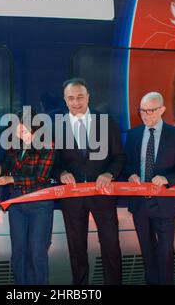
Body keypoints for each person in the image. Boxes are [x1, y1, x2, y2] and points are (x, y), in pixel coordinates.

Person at [52, 78, 125, 285]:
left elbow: (119, 157)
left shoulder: (106, 122)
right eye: (71, 98)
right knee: (77, 249)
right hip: (72, 198)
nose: (76, 102)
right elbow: (53, 163)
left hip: (103, 195)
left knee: (111, 247)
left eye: (80, 97)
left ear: (88, 97)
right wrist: (62, 173)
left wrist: (109, 174)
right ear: (65, 101)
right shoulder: (58, 127)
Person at [124, 91, 175, 285]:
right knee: (147, 253)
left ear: (162, 110)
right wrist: (130, 174)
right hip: (139, 204)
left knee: (165, 252)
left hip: (165, 203)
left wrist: (167, 179)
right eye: (142, 111)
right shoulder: (134, 134)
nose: (146, 115)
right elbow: (126, 164)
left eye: (151, 111)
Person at [0, 108, 55, 285]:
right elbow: (7, 161)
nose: (20, 133)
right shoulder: (14, 144)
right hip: (17, 204)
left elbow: (40, 178)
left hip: (39, 204)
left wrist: (10, 178)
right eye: (18, 129)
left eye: (24, 130)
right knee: (18, 252)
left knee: (37, 252)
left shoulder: (47, 145)